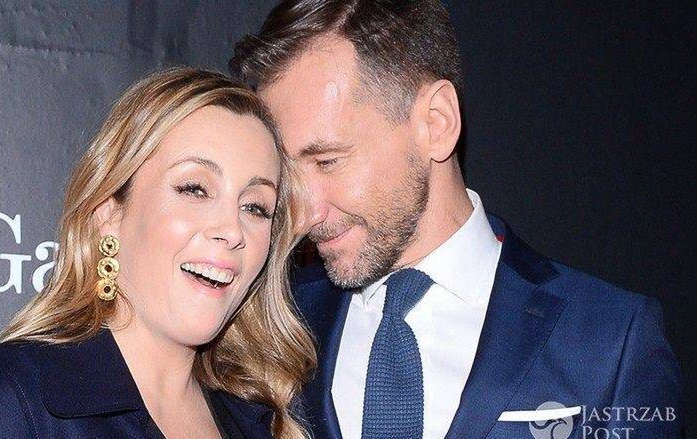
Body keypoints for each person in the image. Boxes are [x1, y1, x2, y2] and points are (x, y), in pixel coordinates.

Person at [230, 1, 683, 438]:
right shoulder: (268, 320)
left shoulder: (611, 339)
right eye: (289, 175)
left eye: (328, 161)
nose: (305, 213)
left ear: (437, 121)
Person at [0, 67, 316, 439]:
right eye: (195, 189)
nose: (232, 231)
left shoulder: (257, 420)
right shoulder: (15, 399)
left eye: (255, 207)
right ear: (110, 213)